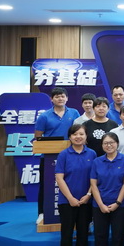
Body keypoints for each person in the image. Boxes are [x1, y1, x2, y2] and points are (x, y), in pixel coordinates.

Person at [34, 87, 81, 224]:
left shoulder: (74, 112)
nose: (60, 98)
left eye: (62, 96)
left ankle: (73, 212)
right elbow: (38, 137)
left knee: (71, 183)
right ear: (51, 99)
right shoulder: (44, 116)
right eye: (57, 96)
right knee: (45, 185)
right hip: (48, 158)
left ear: (67, 98)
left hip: (71, 155)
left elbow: (78, 131)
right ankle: (42, 213)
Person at [55, 124, 95, 246]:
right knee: (66, 232)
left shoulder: (92, 154)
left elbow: (94, 178)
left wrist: (88, 195)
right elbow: (59, 178)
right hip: (67, 201)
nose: (78, 137)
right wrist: (70, 198)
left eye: (81, 134)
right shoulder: (64, 154)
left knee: (83, 232)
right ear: (70, 137)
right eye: (75, 134)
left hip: (86, 201)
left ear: (86, 136)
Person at [90, 132, 124, 246]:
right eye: (105, 143)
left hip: (120, 205)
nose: (109, 145)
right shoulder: (97, 161)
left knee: (117, 237)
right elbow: (93, 185)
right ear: (102, 145)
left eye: (111, 142)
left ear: (117, 144)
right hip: (99, 205)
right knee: (100, 236)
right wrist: (101, 204)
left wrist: (117, 203)